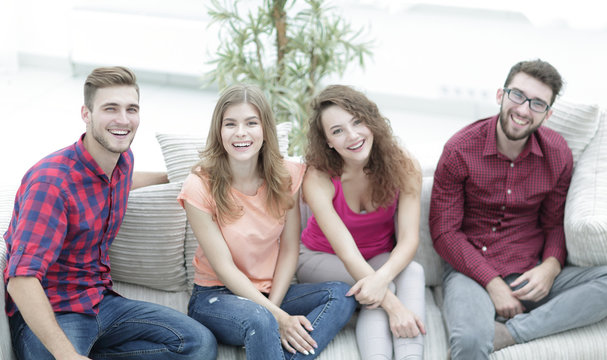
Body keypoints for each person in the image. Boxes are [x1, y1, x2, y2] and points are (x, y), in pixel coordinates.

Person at [3, 66, 217, 360]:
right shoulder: (50, 184)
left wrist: (177, 177)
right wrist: (68, 356)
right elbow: (21, 281)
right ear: (86, 113)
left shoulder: (122, 161)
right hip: (54, 311)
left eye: (132, 109)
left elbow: (125, 180)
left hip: (99, 301)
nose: (123, 119)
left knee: (199, 344)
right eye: (110, 108)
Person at [429, 59, 607, 360]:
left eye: (537, 104)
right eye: (518, 96)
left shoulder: (557, 153)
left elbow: (554, 224)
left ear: (548, 114)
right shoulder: (460, 149)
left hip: (530, 269)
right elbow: (445, 233)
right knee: (471, 342)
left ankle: (510, 332)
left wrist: (550, 266)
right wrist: (492, 283)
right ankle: (490, 323)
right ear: (501, 95)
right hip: (470, 269)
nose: (524, 110)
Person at [179, 84, 356, 360]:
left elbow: (289, 248)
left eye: (251, 123)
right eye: (230, 124)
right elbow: (224, 268)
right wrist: (273, 316)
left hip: (271, 292)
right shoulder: (200, 185)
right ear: (219, 130)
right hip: (215, 297)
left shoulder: (287, 175)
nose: (241, 132)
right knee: (260, 320)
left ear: (265, 129)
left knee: (340, 294)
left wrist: (274, 308)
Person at [296, 85, 427, 360]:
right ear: (328, 141)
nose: (352, 135)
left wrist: (381, 276)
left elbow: (408, 239)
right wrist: (394, 305)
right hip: (320, 259)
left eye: (357, 122)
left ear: (372, 121)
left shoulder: (404, 165)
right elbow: (346, 252)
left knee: (413, 272)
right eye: (337, 130)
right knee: (379, 290)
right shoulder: (318, 178)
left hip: (377, 258)